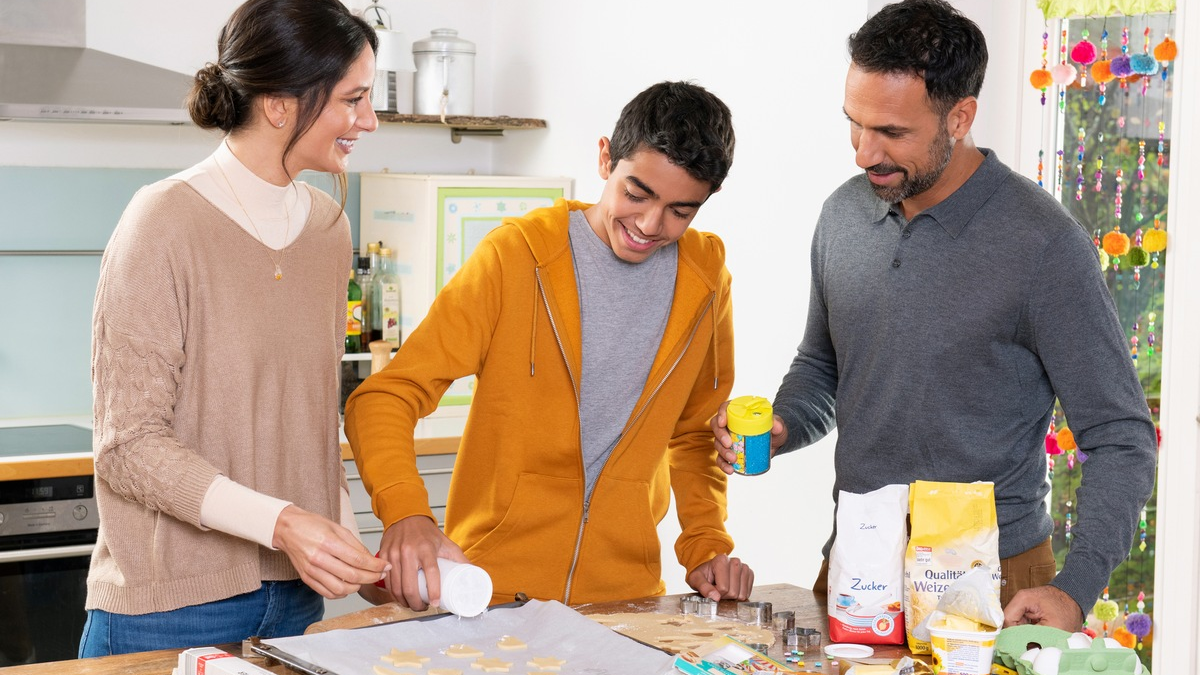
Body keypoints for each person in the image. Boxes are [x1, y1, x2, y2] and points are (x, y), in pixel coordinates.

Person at [711, 0, 1156, 632]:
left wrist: (1076, 588)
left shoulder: (1046, 246)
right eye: (854, 124)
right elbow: (823, 366)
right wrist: (783, 426)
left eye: (892, 133)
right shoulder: (842, 215)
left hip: (997, 581)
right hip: (857, 565)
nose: (864, 154)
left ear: (960, 117)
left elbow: (1121, 436)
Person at [345, 81, 754, 610]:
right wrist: (407, 513)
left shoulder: (706, 281)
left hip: (624, 605)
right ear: (606, 158)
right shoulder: (515, 257)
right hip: (489, 595)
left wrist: (705, 545)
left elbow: (696, 435)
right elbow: (385, 398)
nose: (650, 226)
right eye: (637, 193)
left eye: (681, 211)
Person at [82, 0, 387, 656]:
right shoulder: (162, 222)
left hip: (296, 600)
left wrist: (349, 550)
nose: (370, 120)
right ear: (280, 104)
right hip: (169, 605)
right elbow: (127, 445)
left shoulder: (328, 229)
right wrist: (282, 524)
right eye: (354, 99)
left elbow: (308, 420)